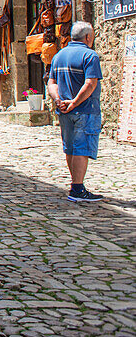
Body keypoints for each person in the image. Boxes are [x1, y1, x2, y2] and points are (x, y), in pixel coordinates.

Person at [47, 21, 104, 202]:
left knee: (70, 147)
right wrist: (75, 102)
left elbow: (51, 83)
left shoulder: (59, 56)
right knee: (82, 148)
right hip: (85, 110)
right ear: (88, 37)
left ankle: (75, 183)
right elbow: (90, 84)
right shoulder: (90, 55)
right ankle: (77, 189)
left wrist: (58, 101)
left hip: (64, 111)